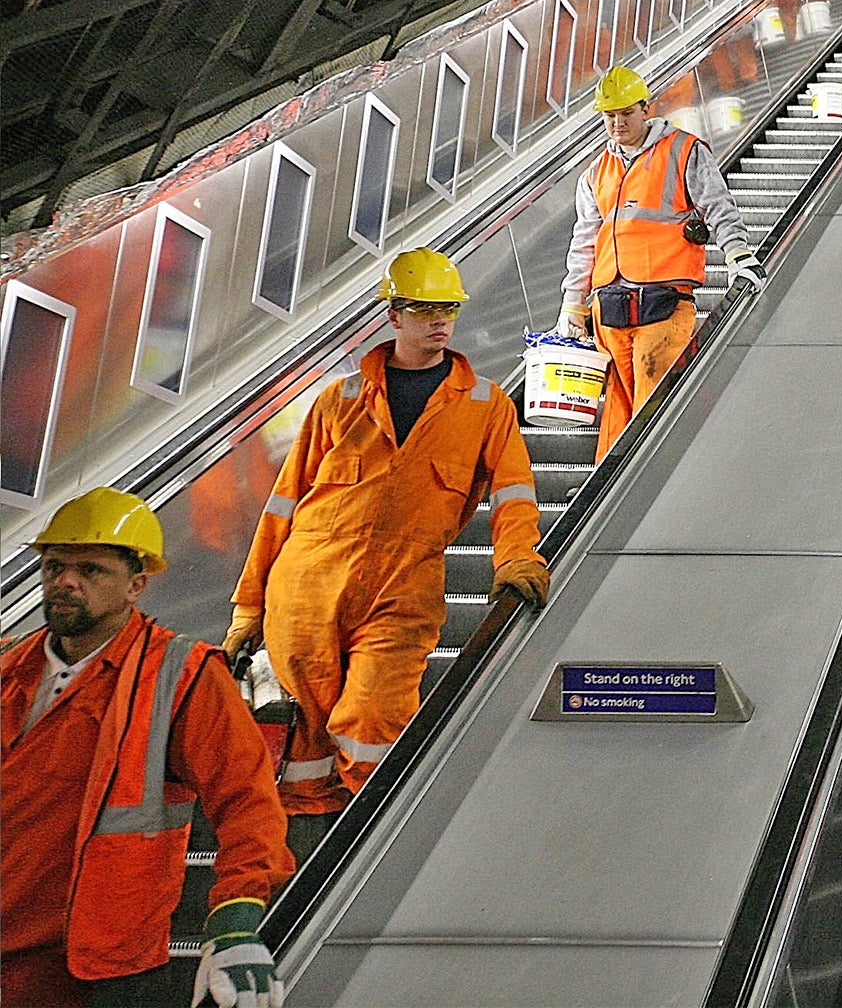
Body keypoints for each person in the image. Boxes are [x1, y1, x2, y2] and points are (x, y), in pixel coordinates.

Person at [228, 249, 549, 824]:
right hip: (306, 587)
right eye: (424, 308)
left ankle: (380, 835)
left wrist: (517, 557)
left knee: (373, 716)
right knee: (313, 719)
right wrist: (247, 610)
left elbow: (513, 491)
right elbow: (283, 505)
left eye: (447, 308)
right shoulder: (341, 398)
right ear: (394, 315)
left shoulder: (485, 405)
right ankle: (307, 828)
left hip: (404, 587)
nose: (439, 320)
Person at [5, 487, 293, 1008]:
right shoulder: (11, 670)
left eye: (90, 571)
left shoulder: (181, 676)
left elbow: (249, 803)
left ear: (137, 584)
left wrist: (236, 918)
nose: (65, 582)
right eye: (53, 567)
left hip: (98, 965)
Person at [558, 67, 764, 455]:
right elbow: (584, 239)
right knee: (617, 408)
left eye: (626, 114)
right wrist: (572, 302)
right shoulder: (596, 171)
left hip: (663, 299)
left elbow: (718, 206)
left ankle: (647, 482)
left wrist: (738, 255)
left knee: (654, 401)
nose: (617, 123)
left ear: (645, 109)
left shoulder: (683, 150)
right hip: (609, 308)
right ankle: (607, 488)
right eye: (609, 116)